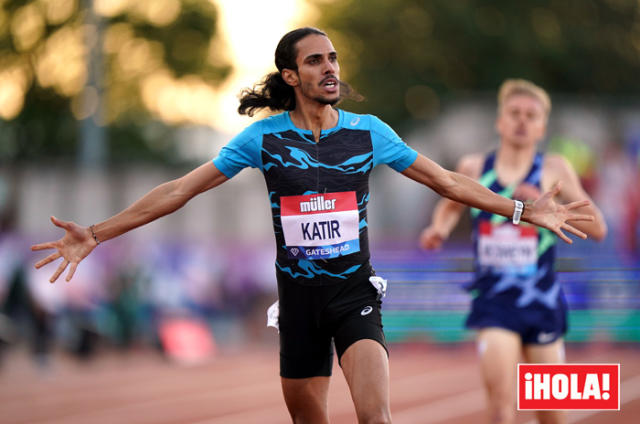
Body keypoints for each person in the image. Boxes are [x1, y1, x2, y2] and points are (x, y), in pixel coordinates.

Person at [32, 29, 594, 424]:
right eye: (317, 61)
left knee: (377, 417)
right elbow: (181, 189)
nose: (331, 69)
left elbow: (447, 180)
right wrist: (97, 233)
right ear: (291, 75)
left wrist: (521, 210)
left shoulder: (369, 132)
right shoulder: (263, 138)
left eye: (334, 59)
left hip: (355, 295)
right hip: (299, 302)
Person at [419, 79, 607, 424]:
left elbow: (598, 228)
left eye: (531, 115)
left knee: (552, 415)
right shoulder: (474, 167)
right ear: (500, 121)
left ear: (542, 127)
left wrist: (550, 201)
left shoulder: (555, 169)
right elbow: (449, 206)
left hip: (543, 303)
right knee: (501, 408)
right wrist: (438, 230)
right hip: (495, 303)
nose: (522, 121)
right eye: (514, 113)